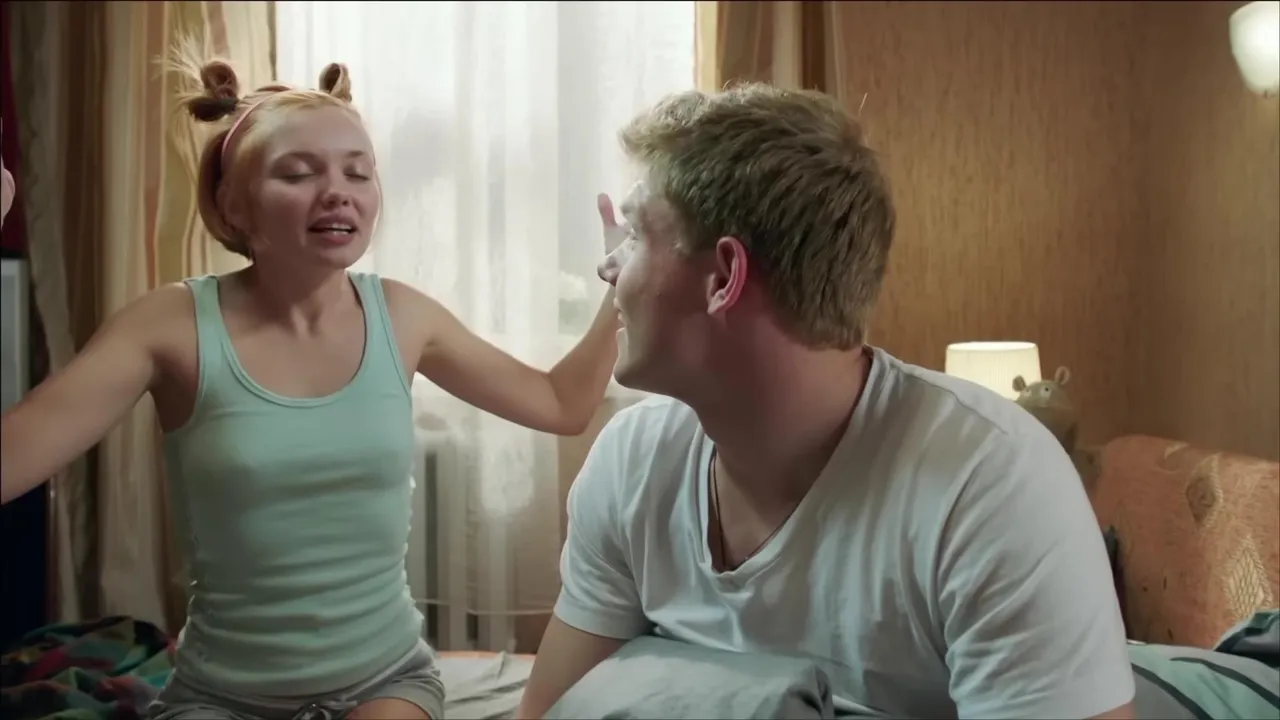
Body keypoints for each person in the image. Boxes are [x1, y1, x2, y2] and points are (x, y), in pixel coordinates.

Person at [0, 58, 623, 720]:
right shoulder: (171, 325)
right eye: (298, 173)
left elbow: (561, 403)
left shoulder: (404, 316)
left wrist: (624, 285)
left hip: (385, 682)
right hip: (219, 695)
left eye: (358, 172)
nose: (337, 193)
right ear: (232, 205)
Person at [518, 83, 1136, 720]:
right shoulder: (633, 463)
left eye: (636, 235)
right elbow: (548, 712)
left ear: (723, 277)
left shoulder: (990, 488)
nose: (608, 269)